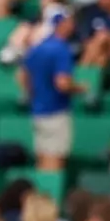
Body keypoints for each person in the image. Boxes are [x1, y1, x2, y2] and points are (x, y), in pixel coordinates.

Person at [21, 10, 83, 173]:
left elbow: (23, 75)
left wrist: (34, 95)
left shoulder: (37, 47)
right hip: (56, 110)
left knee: (42, 158)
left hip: (38, 110)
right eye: (69, 22)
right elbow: (62, 83)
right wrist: (79, 88)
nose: (72, 26)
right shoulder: (61, 49)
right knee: (55, 160)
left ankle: (41, 189)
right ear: (61, 25)